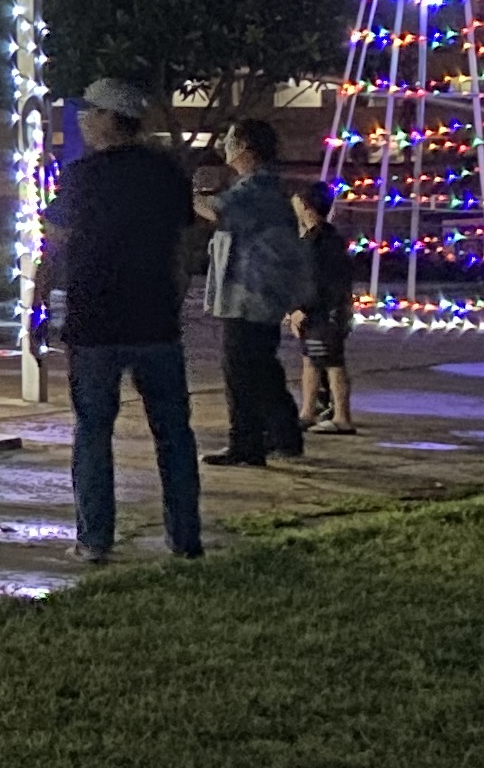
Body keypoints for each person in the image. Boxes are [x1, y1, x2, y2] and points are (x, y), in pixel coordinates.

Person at [30, 76, 206, 563]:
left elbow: (54, 245)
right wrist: (172, 300)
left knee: (92, 431)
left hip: (94, 319)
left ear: (110, 118)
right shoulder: (167, 174)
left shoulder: (82, 176)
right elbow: (183, 248)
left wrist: (39, 307)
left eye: (90, 113)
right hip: (155, 319)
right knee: (173, 432)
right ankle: (185, 537)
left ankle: (94, 539)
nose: (84, 122)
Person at [203, 121, 310, 466]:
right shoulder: (265, 186)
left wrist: (179, 192)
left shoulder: (256, 187)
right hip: (259, 293)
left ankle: (247, 443)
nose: (225, 146)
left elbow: (217, 209)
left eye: (230, 140)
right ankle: (282, 436)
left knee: (241, 370)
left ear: (246, 147)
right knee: (262, 367)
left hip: (250, 293)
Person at [293, 180, 360, 435]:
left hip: (325, 313)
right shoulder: (325, 238)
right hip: (323, 311)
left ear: (306, 206)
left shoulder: (321, 241)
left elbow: (317, 280)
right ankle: (307, 412)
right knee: (311, 360)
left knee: (332, 362)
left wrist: (303, 308)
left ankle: (342, 416)